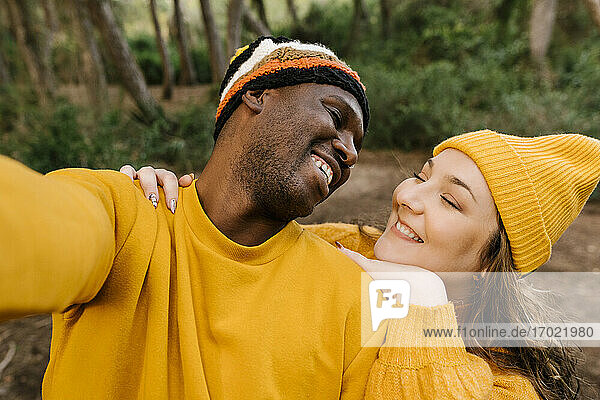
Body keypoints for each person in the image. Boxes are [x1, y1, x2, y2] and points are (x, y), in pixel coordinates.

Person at [0, 36, 384, 399]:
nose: (349, 152)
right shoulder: (126, 216)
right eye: (335, 115)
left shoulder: (348, 289)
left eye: (357, 144)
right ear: (256, 95)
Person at [131, 129, 600, 399]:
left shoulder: (509, 386)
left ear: (491, 263)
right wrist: (174, 202)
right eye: (421, 176)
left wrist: (423, 304)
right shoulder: (342, 247)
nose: (407, 196)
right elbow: (222, 250)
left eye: (451, 202)